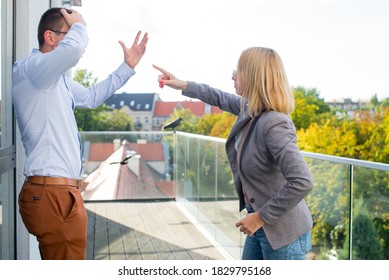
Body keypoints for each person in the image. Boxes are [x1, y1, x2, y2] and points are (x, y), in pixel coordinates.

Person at [153, 46, 314, 260]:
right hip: (260, 225)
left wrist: (260, 217)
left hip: (282, 233)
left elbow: (303, 181)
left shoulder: (273, 122)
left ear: (254, 77)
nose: (233, 75)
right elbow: (218, 97)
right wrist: (182, 84)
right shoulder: (251, 109)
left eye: (238, 71)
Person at [12, 7, 148, 260]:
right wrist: (80, 24)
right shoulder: (33, 69)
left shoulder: (56, 80)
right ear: (50, 37)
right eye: (68, 33)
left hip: (60, 194)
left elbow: (91, 97)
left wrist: (127, 67)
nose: (75, 40)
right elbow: (73, 51)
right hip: (53, 195)